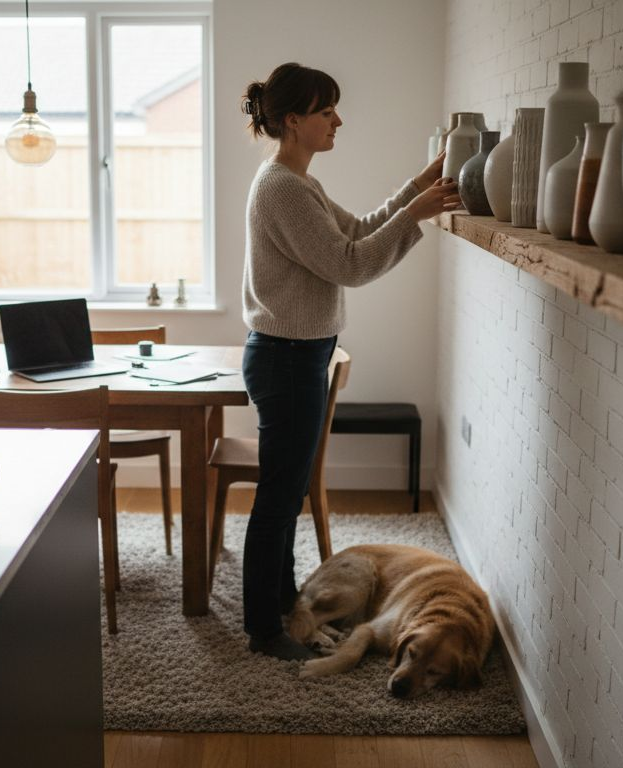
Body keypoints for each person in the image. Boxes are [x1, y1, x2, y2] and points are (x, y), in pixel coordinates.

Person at [238, 62, 460, 660]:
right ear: (293, 121)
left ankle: (282, 606)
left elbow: (358, 231)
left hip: (296, 358)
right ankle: (264, 629)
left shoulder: (296, 181)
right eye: (326, 110)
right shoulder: (282, 186)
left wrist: (420, 185)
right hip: (286, 362)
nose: (338, 120)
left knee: (285, 496)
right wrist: (418, 215)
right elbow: (350, 265)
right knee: (278, 500)